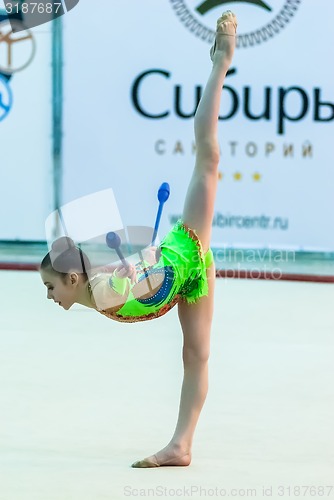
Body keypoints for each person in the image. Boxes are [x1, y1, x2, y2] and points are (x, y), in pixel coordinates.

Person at [40, 10, 237, 467]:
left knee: (207, 156)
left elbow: (125, 280)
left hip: (188, 249)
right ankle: (182, 446)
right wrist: (138, 265)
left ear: (72, 279)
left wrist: (140, 269)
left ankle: (220, 62)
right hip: (182, 277)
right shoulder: (94, 282)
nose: (48, 295)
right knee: (197, 354)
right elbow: (123, 273)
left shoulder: (106, 287)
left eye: (50, 286)